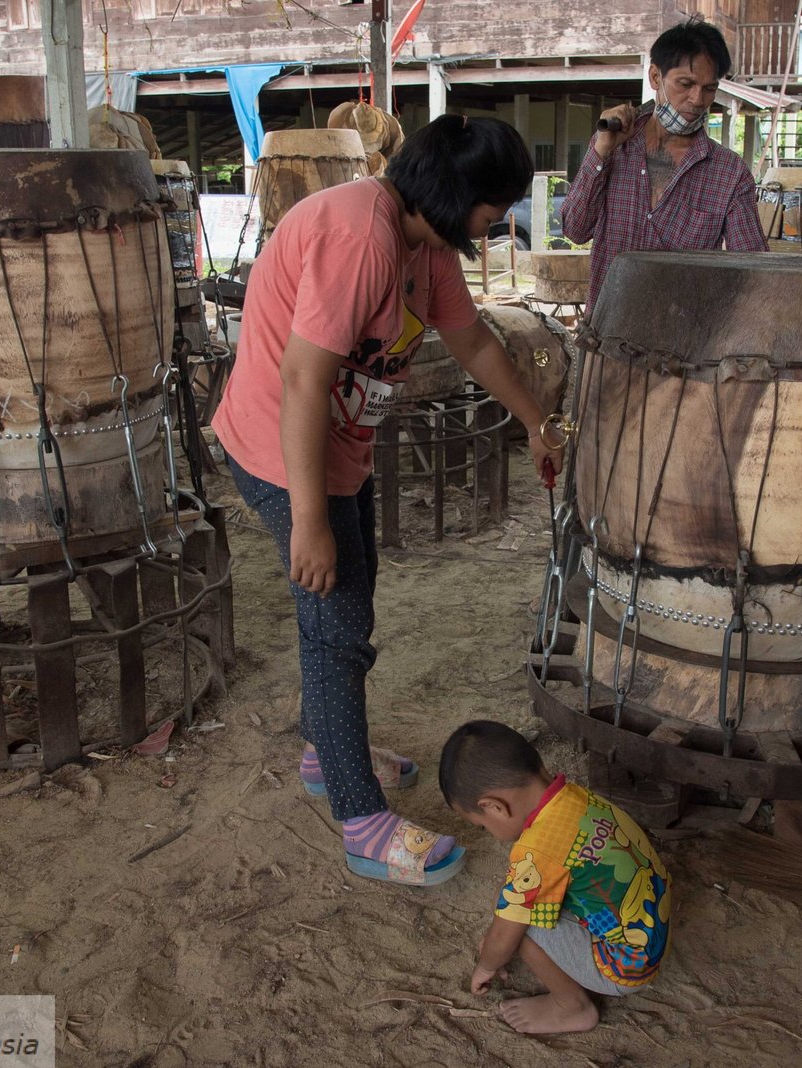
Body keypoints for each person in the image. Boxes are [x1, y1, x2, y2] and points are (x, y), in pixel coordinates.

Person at [211, 115, 565, 887]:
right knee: (335, 626)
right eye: (496, 202)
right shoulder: (360, 235)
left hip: (335, 445)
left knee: (350, 605)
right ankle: (361, 821)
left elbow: (474, 343)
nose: (499, 219)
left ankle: (325, 749)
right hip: (282, 448)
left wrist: (537, 421)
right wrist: (309, 519)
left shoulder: (424, 244)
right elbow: (302, 379)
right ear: (457, 191)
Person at [439, 720, 672, 1034]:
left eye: (482, 826)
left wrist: (488, 963)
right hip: (652, 930)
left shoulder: (537, 850)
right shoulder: (577, 798)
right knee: (517, 902)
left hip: (625, 967)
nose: (488, 832)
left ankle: (571, 1006)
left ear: (494, 807)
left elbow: (506, 933)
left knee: (514, 911)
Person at [559, 18, 768, 312]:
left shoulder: (729, 174)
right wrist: (601, 151)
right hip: (608, 332)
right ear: (656, 77)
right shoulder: (612, 147)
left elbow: (754, 272)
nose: (697, 100)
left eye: (709, 88)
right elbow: (575, 230)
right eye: (686, 84)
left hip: (686, 336)